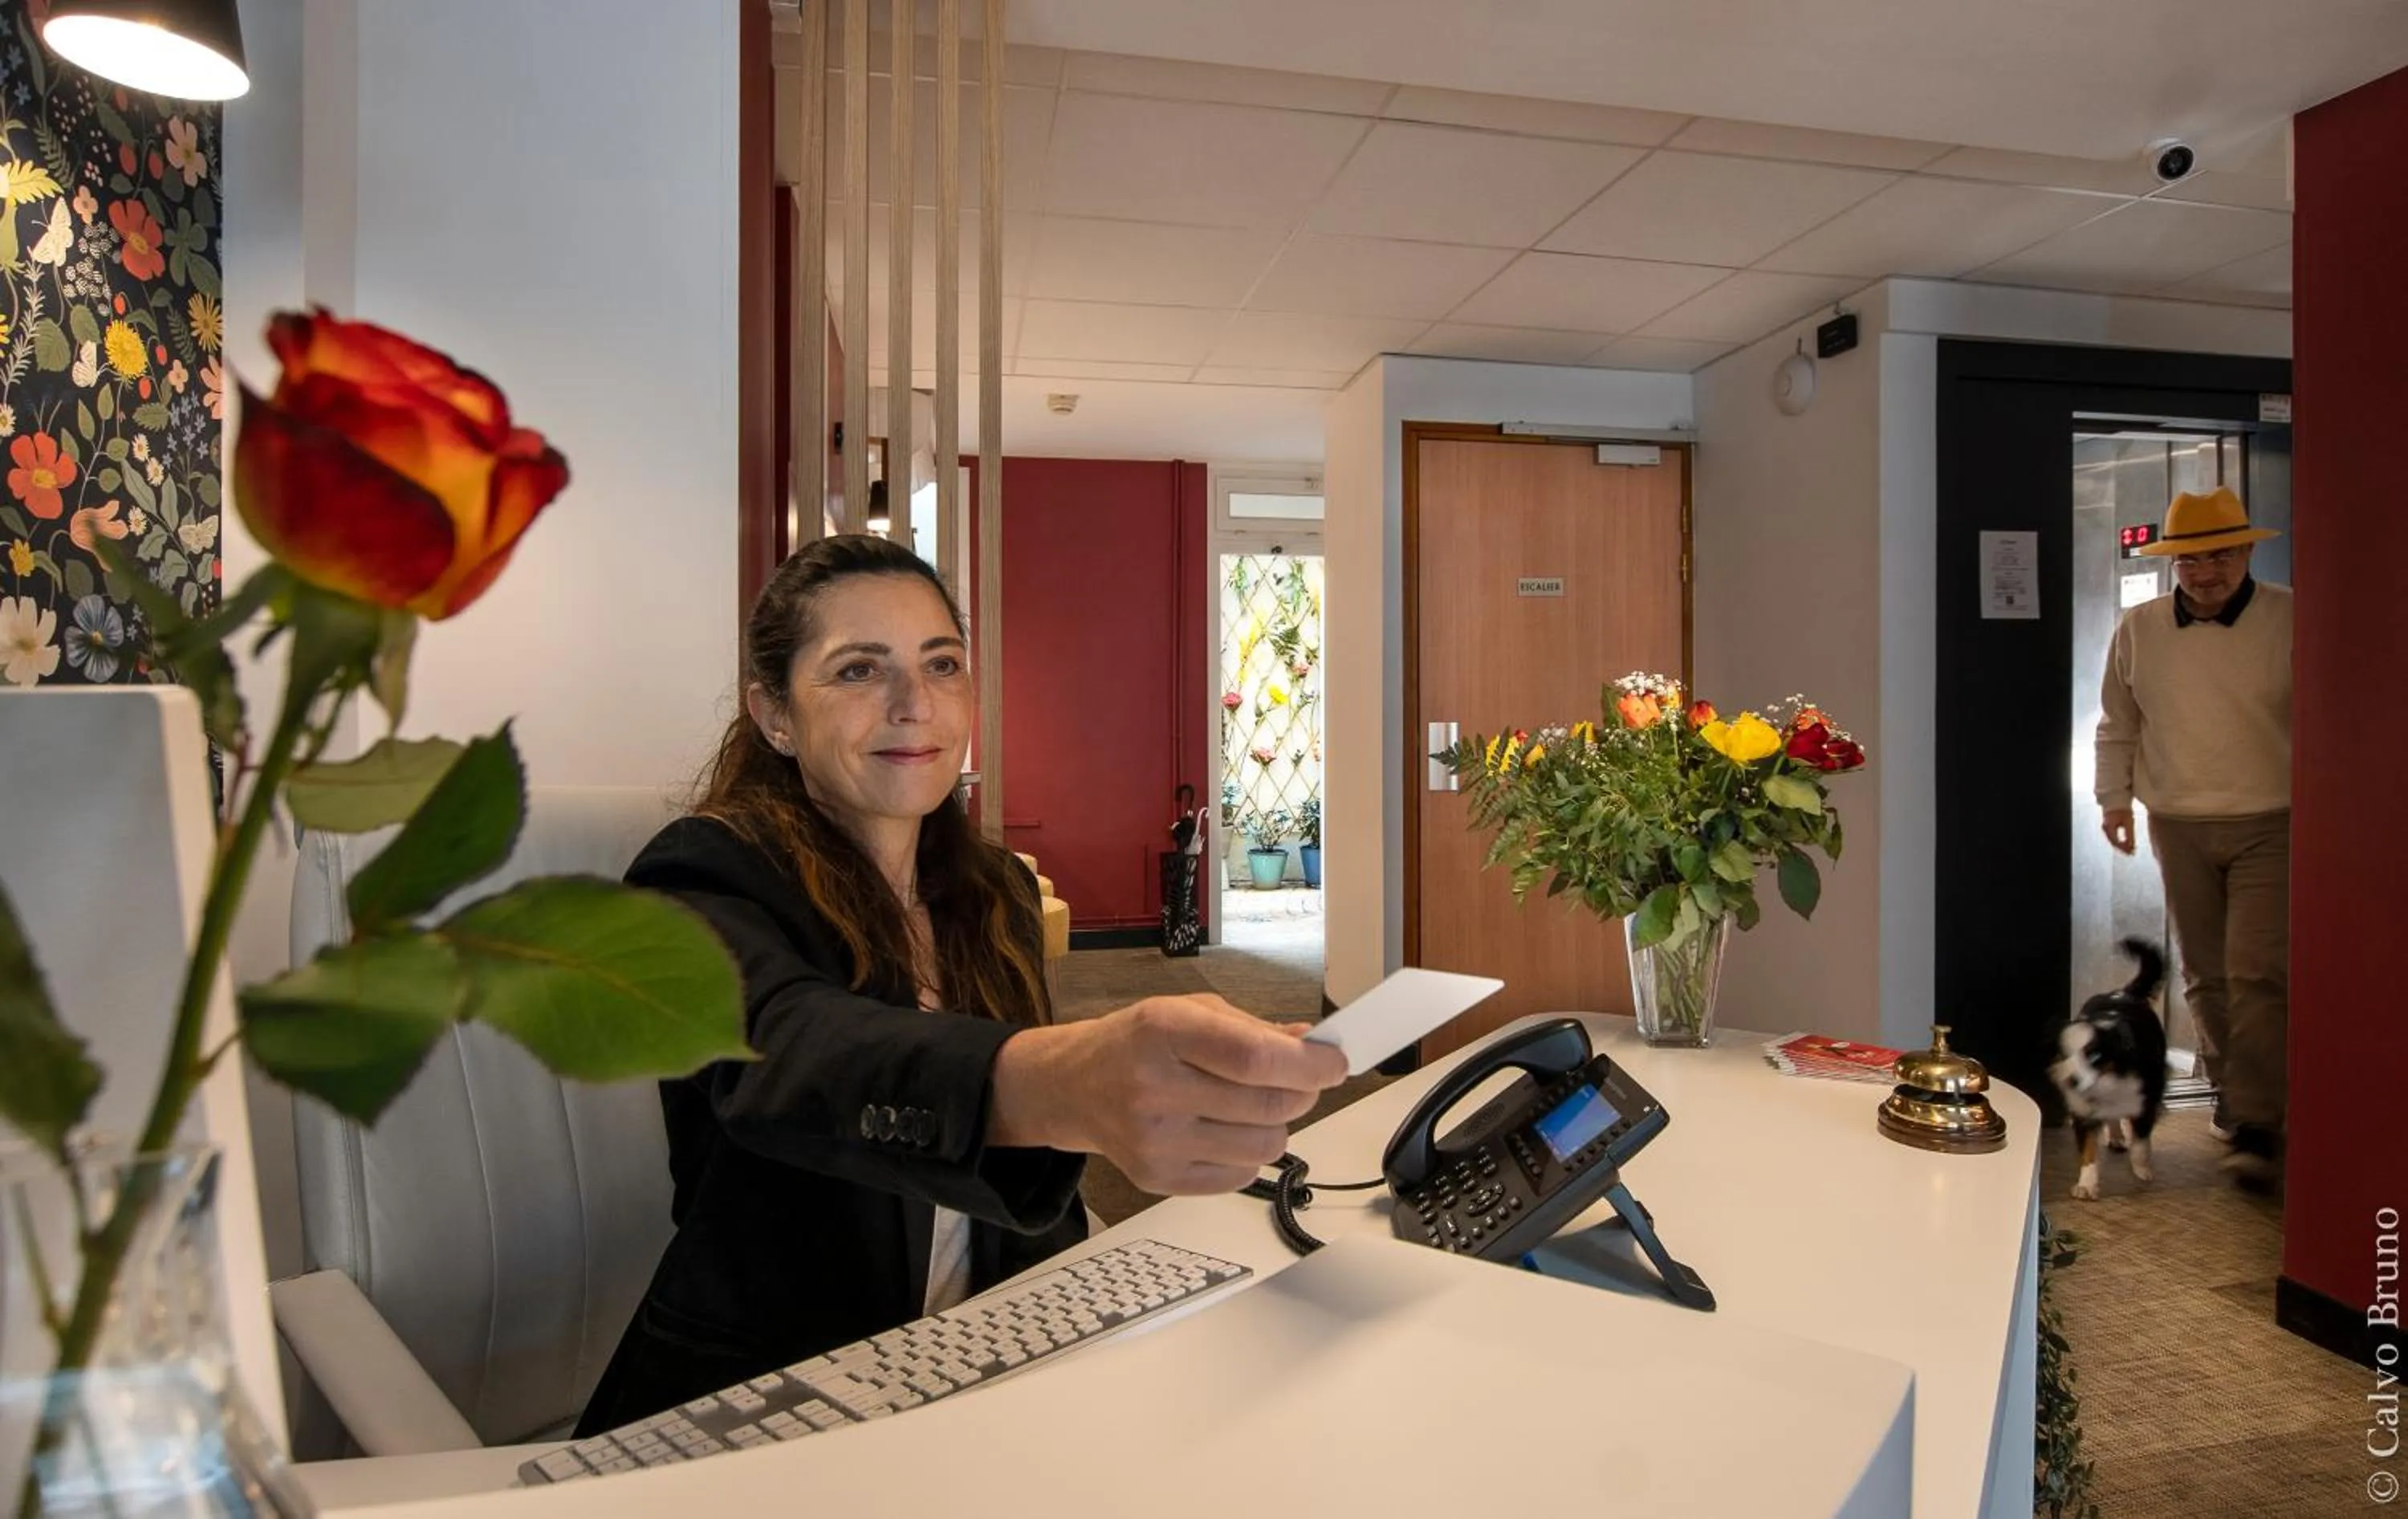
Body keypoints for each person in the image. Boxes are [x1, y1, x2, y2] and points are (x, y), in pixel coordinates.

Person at [576, 535, 1346, 1433]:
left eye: (942, 664)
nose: (915, 703)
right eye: (859, 669)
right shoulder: (699, 874)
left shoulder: (999, 891)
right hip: (780, 1392)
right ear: (774, 714)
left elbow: (1013, 1209)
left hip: (988, 1362)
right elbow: (784, 1049)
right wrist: (1063, 1081)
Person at [2094, 486, 2291, 1188]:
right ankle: (2240, 1101)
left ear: (2246, 551)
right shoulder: (2139, 629)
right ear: (2174, 564)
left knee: (2260, 973)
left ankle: (2261, 1124)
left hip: (2271, 819)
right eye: (2190, 561)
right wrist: (2113, 801)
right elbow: (2118, 724)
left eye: (2220, 555)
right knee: (2207, 977)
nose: (2206, 573)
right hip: (2176, 822)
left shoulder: (2291, 617)